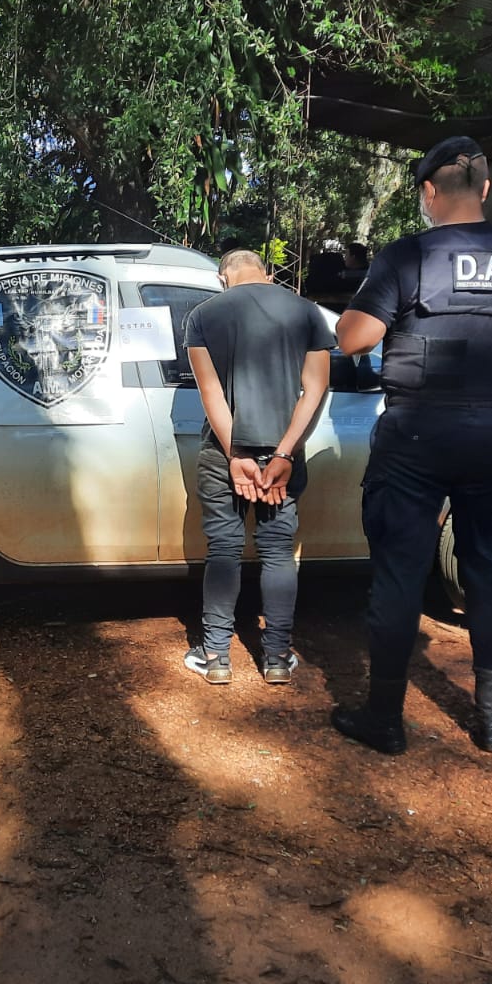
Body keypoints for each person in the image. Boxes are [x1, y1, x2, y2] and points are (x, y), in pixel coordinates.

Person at [330, 136, 492, 755]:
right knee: (491, 571)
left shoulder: (407, 256)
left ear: (427, 193)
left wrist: (369, 316)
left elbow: (353, 340)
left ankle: (385, 720)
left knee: (398, 574)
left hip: (416, 434)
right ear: (485, 189)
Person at [182, 249, 335, 684]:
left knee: (224, 550)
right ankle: (276, 657)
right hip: (283, 457)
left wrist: (238, 455)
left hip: (224, 455)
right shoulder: (307, 312)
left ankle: (215, 657)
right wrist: (284, 452)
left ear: (223, 278)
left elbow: (210, 393)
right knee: (277, 552)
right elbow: (315, 388)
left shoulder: (203, 315)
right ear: (266, 273)